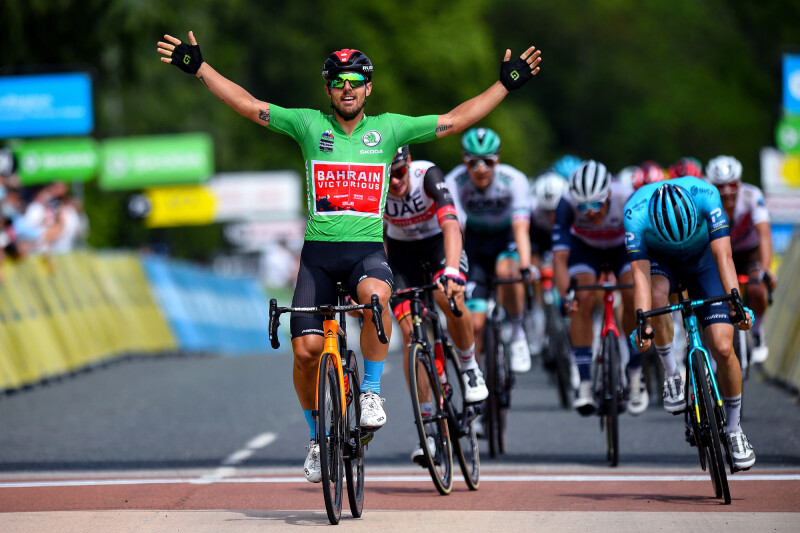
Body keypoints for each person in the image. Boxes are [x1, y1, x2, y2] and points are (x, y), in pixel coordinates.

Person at [157, 31, 541, 482]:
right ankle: (319, 439)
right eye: (338, 80)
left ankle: (373, 392)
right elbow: (247, 105)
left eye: (356, 80)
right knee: (306, 352)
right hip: (317, 256)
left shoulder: (390, 129)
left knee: (378, 299)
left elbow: (455, 121)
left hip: (366, 252)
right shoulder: (307, 125)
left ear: (368, 88)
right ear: (327, 89)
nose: (347, 87)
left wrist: (503, 87)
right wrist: (201, 69)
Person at [624, 178, 756, 471]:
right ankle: (672, 372)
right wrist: (643, 321)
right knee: (658, 295)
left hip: (703, 259)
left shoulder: (707, 195)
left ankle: (734, 430)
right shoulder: (635, 212)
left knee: (722, 347)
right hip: (660, 263)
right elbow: (640, 279)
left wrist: (737, 303)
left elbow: (724, 256)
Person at [384, 145, 488, 465]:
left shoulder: (427, 175)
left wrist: (454, 271)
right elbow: (373, 239)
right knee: (411, 335)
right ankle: (427, 427)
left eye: (399, 171)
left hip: (439, 246)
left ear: (409, 164)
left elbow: (451, 226)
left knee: (448, 296)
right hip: (402, 256)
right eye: (388, 175)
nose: (395, 181)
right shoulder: (375, 185)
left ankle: (470, 368)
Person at [553, 160, 647, 416]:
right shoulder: (566, 203)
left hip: (622, 249)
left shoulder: (627, 197)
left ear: (608, 194)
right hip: (586, 250)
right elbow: (559, 259)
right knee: (580, 299)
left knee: (631, 295)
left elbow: (643, 255)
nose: (590, 211)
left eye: (596, 203)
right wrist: (566, 296)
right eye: (583, 206)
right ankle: (584, 382)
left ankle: (636, 373)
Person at [445, 127, 536, 374]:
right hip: (474, 241)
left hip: (505, 236)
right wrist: (453, 266)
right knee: (475, 324)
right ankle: (478, 381)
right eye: (473, 162)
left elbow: (521, 229)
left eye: (488, 160)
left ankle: (517, 332)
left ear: (498, 159)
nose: (481, 168)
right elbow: (455, 228)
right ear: (465, 160)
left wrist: (526, 266)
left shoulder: (514, 180)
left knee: (507, 270)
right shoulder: (455, 181)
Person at [705, 155, 773, 363]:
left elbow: (764, 234)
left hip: (748, 250)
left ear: (740, 182)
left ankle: (758, 333)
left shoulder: (752, 196)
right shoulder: (707, 200)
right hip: (721, 252)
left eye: (732, 185)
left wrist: (766, 270)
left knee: (756, 288)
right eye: (720, 186)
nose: (727, 192)